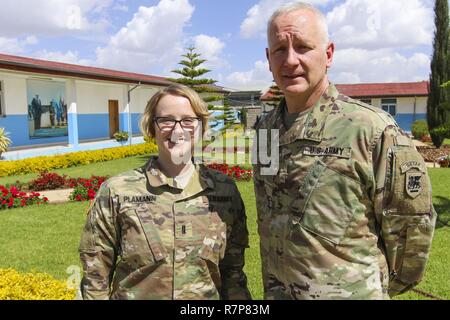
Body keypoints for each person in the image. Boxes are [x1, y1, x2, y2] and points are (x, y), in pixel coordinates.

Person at [252, 2, 436, 300]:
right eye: (279, 50)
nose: (290, 60)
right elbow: (269, 210)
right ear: (268, 58)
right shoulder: (265, 131)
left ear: (328, 54)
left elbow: (411, 230)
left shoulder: (371, 130)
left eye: (302, 47)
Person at [79, 84, 251, 300]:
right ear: (152, 127)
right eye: (166, 120)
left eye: (188, 120)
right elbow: (96, 278)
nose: (178, 130)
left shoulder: (225, 191)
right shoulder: (117, 191)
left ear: (201, 128)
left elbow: (233, 276)